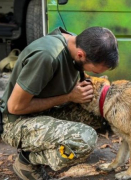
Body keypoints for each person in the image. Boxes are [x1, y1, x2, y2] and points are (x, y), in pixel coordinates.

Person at [0, 26, 119, 180]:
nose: (95, 75)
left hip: (45, 110)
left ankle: (48, 147)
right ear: (81, 55)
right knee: (84, 139)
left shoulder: (77, 42)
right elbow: (15, 107)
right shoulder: (46, 56)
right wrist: (68, 97)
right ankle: (27, 160)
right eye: (95, 71)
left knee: (100, 113)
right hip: (15, 122)